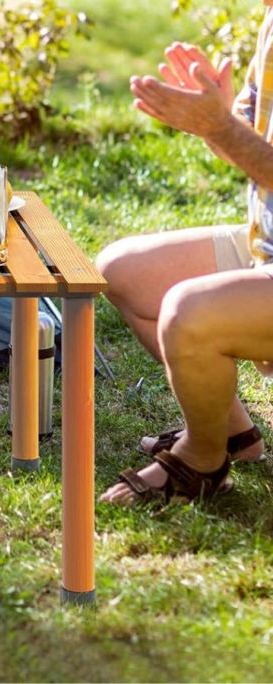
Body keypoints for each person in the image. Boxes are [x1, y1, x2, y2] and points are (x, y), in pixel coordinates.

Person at [96, 19, 273, 506]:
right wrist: (215, 118)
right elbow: (254, 148)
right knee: (121, 270)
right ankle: (232, 436)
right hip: (265, 245)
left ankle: (200, 462)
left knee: (188, 310)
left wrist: (218, 125)